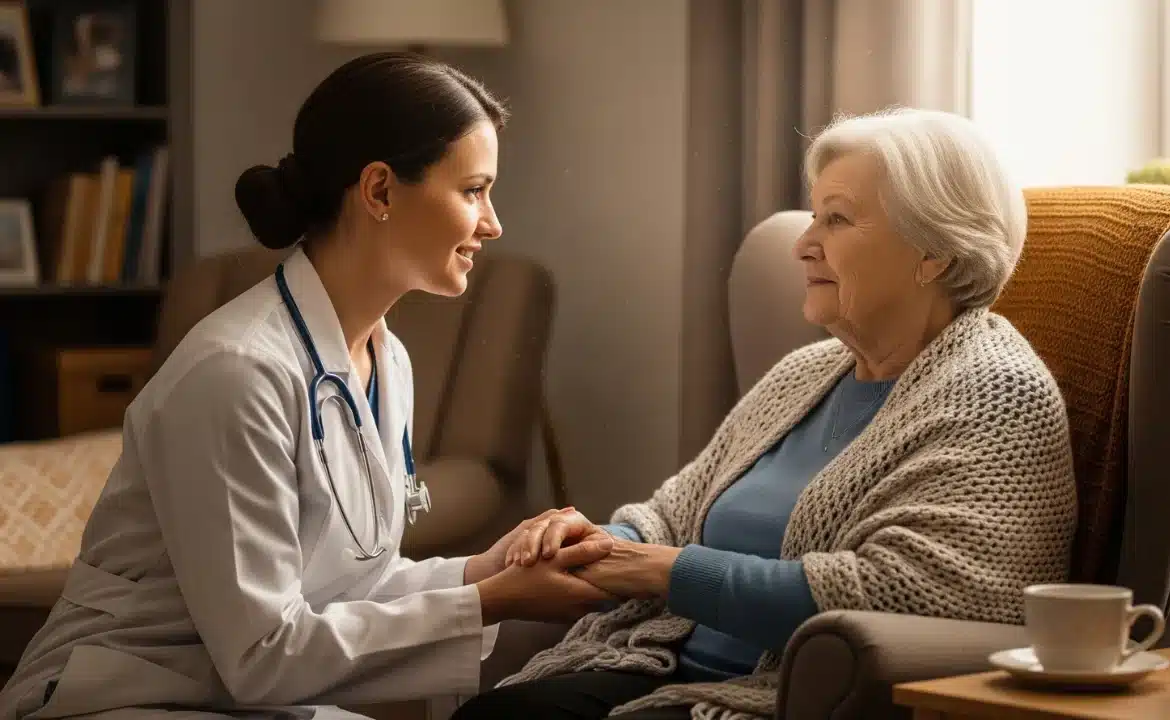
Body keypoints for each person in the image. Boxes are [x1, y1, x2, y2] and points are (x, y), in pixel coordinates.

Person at [0, 52, 615, 720]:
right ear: (380, 191)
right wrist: (491, 601)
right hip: (115, 693)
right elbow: (263, 653)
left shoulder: (386, 359)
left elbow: (344, 585)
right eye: (473, 190)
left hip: (227, 694)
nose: (492, 223)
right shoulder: (237, 372)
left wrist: (487, 569)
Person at [452, 108, 1079, 720]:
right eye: (813, 217)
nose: (804, 245)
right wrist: (598, 543)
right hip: (654, 660)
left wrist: (661, 572)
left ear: (933, 251)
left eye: (836, 220)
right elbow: (673, 515)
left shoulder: (996, 398)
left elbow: (897, 593)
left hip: (763, 698)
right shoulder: (804, 374)